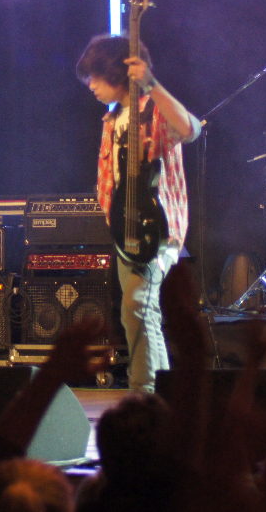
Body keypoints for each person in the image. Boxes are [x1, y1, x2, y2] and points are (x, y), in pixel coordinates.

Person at [76, 34, 201, 392]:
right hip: (126, 228)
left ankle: (143, 393)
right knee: (139, 312)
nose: (91, 86)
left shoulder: (152, 109)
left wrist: (151, 84)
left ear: (115, 72)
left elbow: (189, 129)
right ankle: (161, 395)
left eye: (95, 78)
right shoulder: (112, 118)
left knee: (137, 305)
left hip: (157, 227)